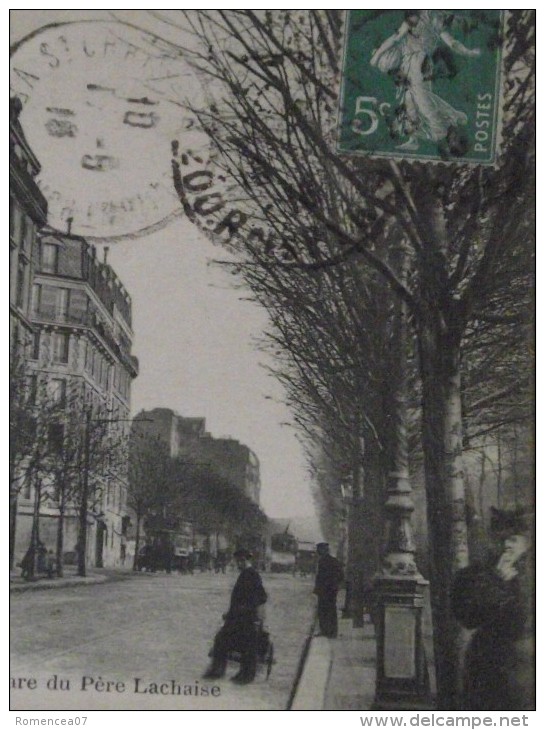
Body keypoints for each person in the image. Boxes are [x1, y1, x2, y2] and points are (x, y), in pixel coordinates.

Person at [452, 507, 535, 710]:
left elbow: (522, 621)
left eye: (514, 539)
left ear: (528, 542)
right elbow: (467, 616)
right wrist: (496, 581)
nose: (507, 545)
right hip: (485, 665)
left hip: (525, 668)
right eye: (502, 538)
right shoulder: (481, 572)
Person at [370, 10, 481, 152]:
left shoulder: (436, 20)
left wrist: (467, 52)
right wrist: (378, 55)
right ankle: (417, 136)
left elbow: (452, 43)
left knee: (422, 101)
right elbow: (397, 37)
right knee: (411, 99)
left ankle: (439, 130)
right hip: (411, 62)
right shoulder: (420, 16)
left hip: (419, 62)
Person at [203, 548, 267, 684]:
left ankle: (243, 675)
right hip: (237, 617)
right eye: (238, 561)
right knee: (222, 640)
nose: (239, 564)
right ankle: (219, 670)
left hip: (245, 619)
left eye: (241, 561)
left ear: (246, 560)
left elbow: (261, 597)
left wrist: (246, 610)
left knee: (240, 645)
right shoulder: (246, 574)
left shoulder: (251, 575)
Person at [314, 542, 344, 638]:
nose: (317, 552)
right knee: (331, 610)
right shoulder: (333, 560)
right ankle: (332, 631)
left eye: (319, 550)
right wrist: (336, 584)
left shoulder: (322, 561)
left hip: (325, 590)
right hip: (331, 590)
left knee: (323, 611)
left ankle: (325, 631)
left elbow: (320, 577)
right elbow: (341, 575)